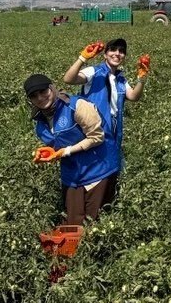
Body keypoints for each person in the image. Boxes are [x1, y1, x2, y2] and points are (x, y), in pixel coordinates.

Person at [23, 74, 115, 224]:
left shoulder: (76, 106)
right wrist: (48, 151)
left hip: (98, 167)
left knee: (93, 221)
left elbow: (97, 137)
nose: (40, 98)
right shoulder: (40, 121)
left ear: (52, 88)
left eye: (43, 91)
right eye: (34, 96)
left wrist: (66, 151)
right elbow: (57, 144)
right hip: (72, 173)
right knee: (73, 222)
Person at [62, 37, 148, 171]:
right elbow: (68, 79)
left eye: (121, 51)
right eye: (113, 50)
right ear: (105, 54)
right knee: (92, 164)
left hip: (113, 127)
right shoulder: (94, 72)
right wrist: (83, 58)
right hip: (93, 128)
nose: (117, 53)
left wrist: (141, 79)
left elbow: (133, 96)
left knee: (111, 164)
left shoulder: (120, 79)